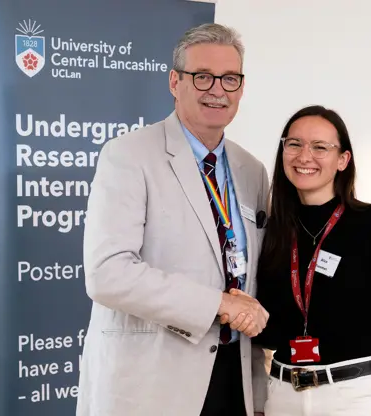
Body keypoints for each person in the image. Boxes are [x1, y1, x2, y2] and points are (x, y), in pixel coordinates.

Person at [76, 23, 271, 416]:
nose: (217, 90)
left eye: (229, 79)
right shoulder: (128, 155)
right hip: (155, 381)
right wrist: (217, 304)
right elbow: (108, 273)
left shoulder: (252, 170)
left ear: (242, 87)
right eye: (203, 77)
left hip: (233, 378)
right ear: (174, 81)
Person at [249, 105, 371, 415]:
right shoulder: (273, 229)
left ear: (343, 159)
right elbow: (269, 328)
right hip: (284, 395)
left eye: (320, 147)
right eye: (294, 144)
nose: (304, 156)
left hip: (354, 397)